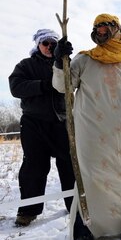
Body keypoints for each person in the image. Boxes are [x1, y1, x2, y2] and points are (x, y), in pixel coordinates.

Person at [52, 13, 121, 240]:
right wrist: (60, 61)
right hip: (91, 132)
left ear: (117, 28)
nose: (99, 30)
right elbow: (62, 86)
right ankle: (85, 230)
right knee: (90, 179)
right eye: (96, 27)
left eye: (104, 26)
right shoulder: (84, 60)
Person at [8, 29, 75, 227]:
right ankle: (28, 210)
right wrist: (42, 86)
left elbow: (74, 82)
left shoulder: (64, 64)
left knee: (69, 166)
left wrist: (65, 59)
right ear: (38, 44)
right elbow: (15, 87)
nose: (49, 47)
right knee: (34, 167)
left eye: (53, 44)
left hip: (62, 122)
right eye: (45, 43)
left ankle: (74, 205)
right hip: (34, 123)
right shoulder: (26, 65)